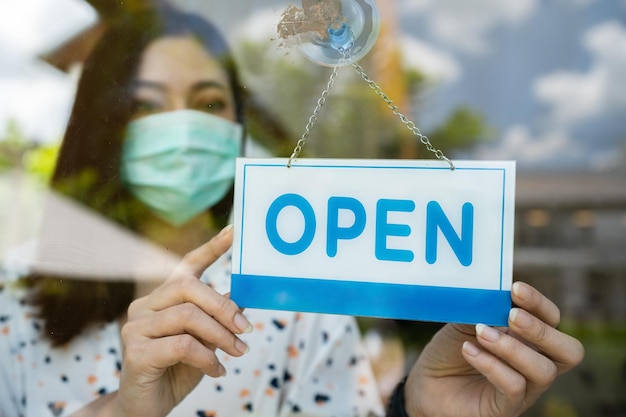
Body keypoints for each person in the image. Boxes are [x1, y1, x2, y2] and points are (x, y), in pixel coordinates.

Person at [0, 4, 584, 417]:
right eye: (148, 107)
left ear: (236, 128)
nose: (182, 127)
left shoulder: (301, 291)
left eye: (208, 102)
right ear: (102, 130)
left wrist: (417, 412)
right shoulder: (13, 305)